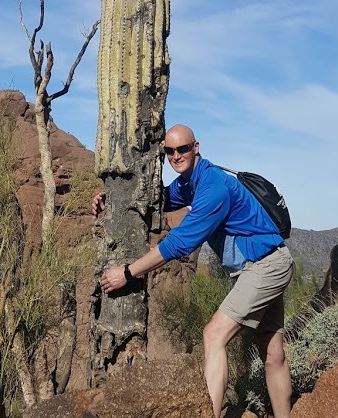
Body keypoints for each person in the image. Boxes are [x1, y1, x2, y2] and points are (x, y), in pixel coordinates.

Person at [93, 124, 294, 418]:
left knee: (214, 335)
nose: (176, 156)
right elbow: (158, 201)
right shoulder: (189, 183)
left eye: (182, 149)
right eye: (169, 151)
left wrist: (126, 272)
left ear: (196, 147)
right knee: (273, 353)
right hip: (270, 262)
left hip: (265, 266)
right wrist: (109, 198)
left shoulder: (214, 188)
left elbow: (179, 243)